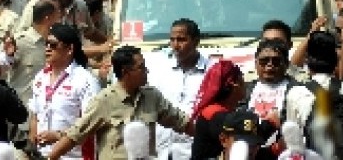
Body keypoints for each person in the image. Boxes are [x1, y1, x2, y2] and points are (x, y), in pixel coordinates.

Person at [46, 45, 192, 159]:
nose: (146, 71)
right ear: (125, 72)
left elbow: (182, 122)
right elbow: (75, 135)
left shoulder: (152, 97)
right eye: (140, 68)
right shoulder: (104, 101)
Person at [29, 24, 100, 159]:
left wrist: (57, 136)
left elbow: (91, 124)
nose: (48, 48)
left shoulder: (85, 80)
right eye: (46, 44)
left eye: (53, 45)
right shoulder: (40, 77)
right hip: (43, 156)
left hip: (73, 157)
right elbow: (35, 118)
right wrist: (33, 151)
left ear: (69, 49)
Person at [147, 19, 211, 160]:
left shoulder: (211, 72)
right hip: (162, 150)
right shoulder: (160, 70)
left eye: (181, 40)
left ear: (195, 41)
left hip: (193, 151)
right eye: (172, 40)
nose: (175, 45)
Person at [190, 61, 246, 160]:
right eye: (242, 78)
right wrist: (270, 123)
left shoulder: (219, 111)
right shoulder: (213, 113)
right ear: (235, 84)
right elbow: (246, 135)